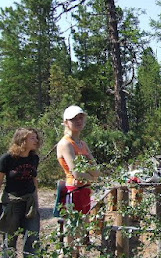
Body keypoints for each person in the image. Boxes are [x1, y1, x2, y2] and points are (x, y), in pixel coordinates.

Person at [57, 105, 100, 256]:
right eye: (74, 118)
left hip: (85, 191)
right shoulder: (66, 143)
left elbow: (97, 170)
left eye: (81, 117)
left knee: (82, 232)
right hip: (73, 192)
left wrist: (92, 176)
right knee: (71, 232)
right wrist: (92, 176)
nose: (78, 121)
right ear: (66, 122)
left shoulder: (82, 144)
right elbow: (76, 172)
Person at [0, 128, 42, 257]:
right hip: (12, 203)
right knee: (10, 238)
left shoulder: (34, 158)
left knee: (32, 237)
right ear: (22, 140)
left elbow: (34, 180)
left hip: (30, 202)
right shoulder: (7, 159)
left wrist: (36, 200)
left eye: (36, 137)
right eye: (32, 138)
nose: (36, 140)